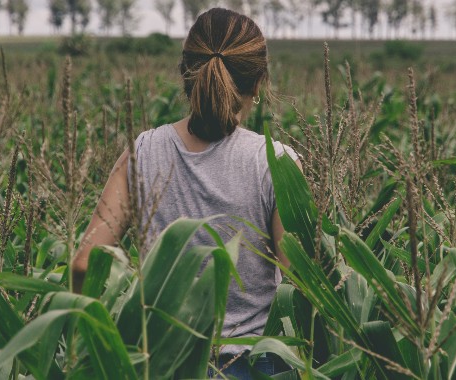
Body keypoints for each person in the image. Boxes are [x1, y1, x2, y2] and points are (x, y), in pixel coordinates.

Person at [71, 7, 299, 379]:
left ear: (185, 74)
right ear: (258, 84)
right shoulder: (276, 163)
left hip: (160, 364)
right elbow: (297, 287)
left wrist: (97, 350)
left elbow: (84, 264)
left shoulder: (142, 152)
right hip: (253, 366)